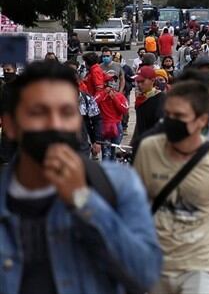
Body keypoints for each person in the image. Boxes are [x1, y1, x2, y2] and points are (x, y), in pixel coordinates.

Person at [0, 61, 162, 293]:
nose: (55, 124)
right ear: (11, 125)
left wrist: (84, 201)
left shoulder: (117, 184)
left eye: (66, 112)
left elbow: (145, 273)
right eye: (39, 112)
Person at [134, 81, 209, 294]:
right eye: (168, 115)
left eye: (179, 117)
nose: (171, 122)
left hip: (201, 267)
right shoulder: (149, 149)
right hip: (156, 265)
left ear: (202, 120)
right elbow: (136, 204)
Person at [96, 70, 129, 161]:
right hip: (104, 126)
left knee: (114, 152)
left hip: (117, 126)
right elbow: (93, 104)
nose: (112, 83)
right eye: (109, 81)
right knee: (106, 153)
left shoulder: (120, 96)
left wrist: (114, 98)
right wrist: (103, 93)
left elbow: (124, 110)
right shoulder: (100, 95)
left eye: (114, 80)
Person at [131, 66, 166, 148]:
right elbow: (139, 126)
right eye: (138, 82)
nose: (139, 84)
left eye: (142, 81)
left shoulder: (160, 99)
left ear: (153, 80)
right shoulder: (141, 99)